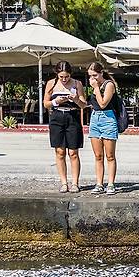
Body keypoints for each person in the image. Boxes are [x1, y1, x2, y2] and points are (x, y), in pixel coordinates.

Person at [44, 61, 87, 193]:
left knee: (73, 152)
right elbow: (45, 104)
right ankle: (63, 182)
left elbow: (84, 105)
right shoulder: (51, 83)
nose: (64, 79)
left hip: (72, 116)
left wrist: (75, 99)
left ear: (70, 74)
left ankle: (75, 182)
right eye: (61, 76)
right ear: (57, 74)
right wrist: (55, 101)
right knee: (60, 151)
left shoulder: (77, 84)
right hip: (57, 116)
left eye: (66, 76)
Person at [87, 62, 120, 195]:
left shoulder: (108, 85)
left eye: (95, 75)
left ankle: (111, 183)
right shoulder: (95, 85)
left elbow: (102, 103)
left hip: (108, 118)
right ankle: (99, 183)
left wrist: (95, 88)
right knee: (98, 155)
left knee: (110, 155)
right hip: (95, 119)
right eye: (90, 76)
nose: (93, 79)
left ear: (101, 73)